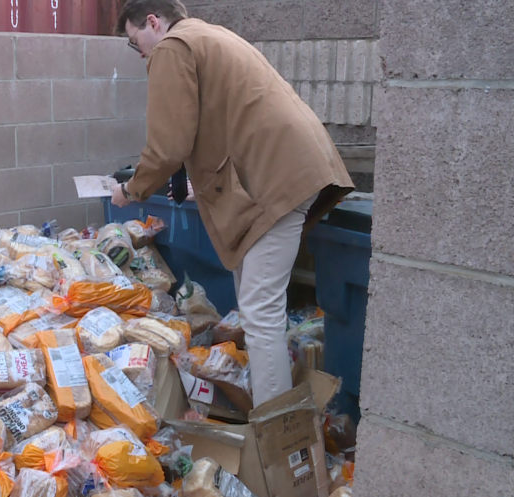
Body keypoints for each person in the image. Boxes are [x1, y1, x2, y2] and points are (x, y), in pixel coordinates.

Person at [109, 0, 354, 407]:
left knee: (260, 313)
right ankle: (266, 412)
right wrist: (194, 183)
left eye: (137, 43)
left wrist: (132, 190)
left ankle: (275, 437)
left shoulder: (172, 46)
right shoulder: (208, 35)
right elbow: (216, 123)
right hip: (285, 169)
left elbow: (169, 145)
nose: (141, 55)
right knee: (255, 302)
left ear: (153, 22)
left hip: (277, 179)